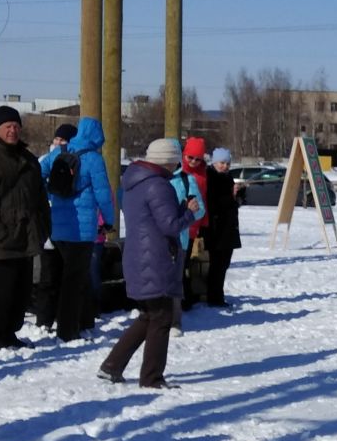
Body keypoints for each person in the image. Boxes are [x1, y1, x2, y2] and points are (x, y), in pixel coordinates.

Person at [100, 138, 202, 386]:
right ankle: (151, 377)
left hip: (139, 254)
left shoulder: (135, 181)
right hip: (156, 257)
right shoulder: (159, 186)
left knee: (149, 314)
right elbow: (170, 225)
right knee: (162, 317)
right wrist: (189, 211)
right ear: (169, 160)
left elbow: (153, 218)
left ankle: (112, 366)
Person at [0, 106, 50, 350]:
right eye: (7, 126)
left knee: (21, 292)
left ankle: (10, 334)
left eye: (16, 126)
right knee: (0, 292)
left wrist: (44, 226)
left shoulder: (29, 160)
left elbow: (40, 198)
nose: (12, 130)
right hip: (2, 241)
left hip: (27, 236)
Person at [42, 117, 118, 342]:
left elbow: (39, 172)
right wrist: (109, 221)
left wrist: (50, 194)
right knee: (74, 281)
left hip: (58, 228)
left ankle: (84, 321)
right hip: (83, 230)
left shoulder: (59, 151)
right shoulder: (94, 159)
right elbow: (104, 194)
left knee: (73, 277)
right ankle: (67, 331)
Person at [170, 138, 210, 328]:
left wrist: (199, 218)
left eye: (198, 159)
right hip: (177, 228)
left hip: (189, 227)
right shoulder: (178, 175)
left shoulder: (198, 176)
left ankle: (179, 309)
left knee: (182, 267)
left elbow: (202, 204)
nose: (194, 162)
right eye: (191, 157)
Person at [203, 147, 242, 307]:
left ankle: (217, 294)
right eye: (221, 163)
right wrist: (231, 196)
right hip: (216, 229)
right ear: (214, 162)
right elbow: (213, 203)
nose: (225, 166)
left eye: (227, 163)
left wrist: (238, 195)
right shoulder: (211, 177)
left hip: (228, 228)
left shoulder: (227, 177)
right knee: (217, 265)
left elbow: (233, 203)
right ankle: (214, 297)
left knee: (223, 264)